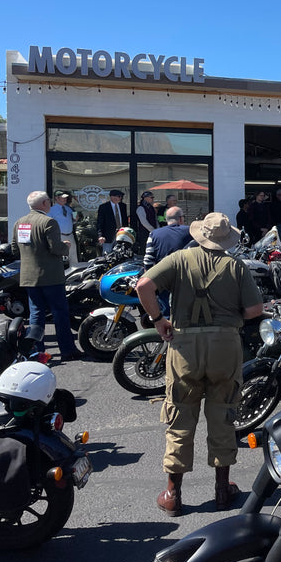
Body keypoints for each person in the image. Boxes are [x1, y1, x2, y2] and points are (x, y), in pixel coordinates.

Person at [136, 212, 264, 517]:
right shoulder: (235, 265)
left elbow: (143, 286)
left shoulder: (180, 258)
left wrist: (158, 320)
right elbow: (255, 309)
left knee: (179, 416)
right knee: (223, 414)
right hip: (224, 345)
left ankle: (172, 494)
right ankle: (222, 490)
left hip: (184, 345)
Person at [10, 191, 81, 361]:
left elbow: (14, 249)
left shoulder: (20, 223)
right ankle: (67, 350)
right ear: (44, 204)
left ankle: (36, 351)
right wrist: (66, 246)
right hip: (51, 276)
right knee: (60, 313)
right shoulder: (48, 222)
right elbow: (55, 248)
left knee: (36, 314)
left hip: (29, 276)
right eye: (48, 201)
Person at [144, 206, 194, 316]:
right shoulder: (190, 231)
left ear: (167, 220)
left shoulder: (154, 234)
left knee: (165, 312)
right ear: (181, 218)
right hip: (186, 280)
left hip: (163, 280)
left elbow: (148, 261)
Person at [48, 190, 79, 265]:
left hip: (70, 235)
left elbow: (74, 220)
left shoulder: (69, 209)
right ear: (57, 198)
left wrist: (75, 217)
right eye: (62, 198)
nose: (65, 199)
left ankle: (75, 272)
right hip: (59, 235)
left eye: (65, 198)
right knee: (59, 256)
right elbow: (48, 224)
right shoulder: (51, 210)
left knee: (73, 256)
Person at [96, 189, 129, 254]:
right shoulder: (104, 207)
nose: (120, 198)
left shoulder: (123, 206)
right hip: (108, 235)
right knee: (107, 254)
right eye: (118, 196)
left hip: (121, 234)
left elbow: (124, 220)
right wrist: (100, 235)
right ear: (112, 197)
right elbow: (100, 222)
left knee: (120, 253)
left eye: (121, 197)